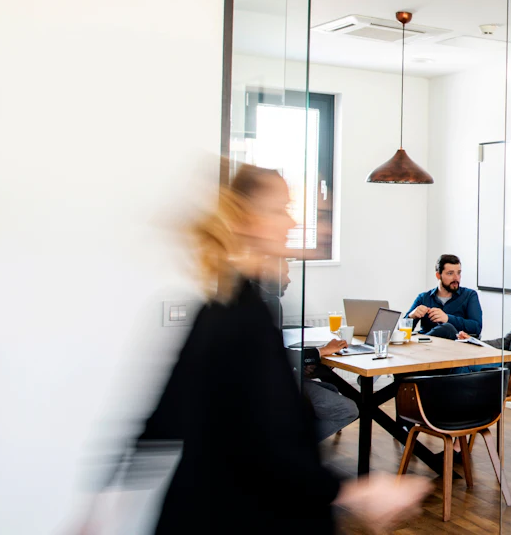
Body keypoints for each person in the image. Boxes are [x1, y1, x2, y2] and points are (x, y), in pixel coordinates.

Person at [134, 164, 426, 533]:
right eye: (278, 210)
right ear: (245, 220)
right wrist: (353, 492)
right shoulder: (242, 313)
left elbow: (168, 415)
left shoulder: (227, 304)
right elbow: (269, 444)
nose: (290, 223)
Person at [259, 258, 359, 441]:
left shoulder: (258, 300)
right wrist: (320, 352)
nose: (288, 280)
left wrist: (301, 363)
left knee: (330, 387)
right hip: (268, 388)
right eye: (284, 274)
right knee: (348, 409)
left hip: (268, 382)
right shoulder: (267, 303)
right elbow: (268, 356)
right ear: (267, 275)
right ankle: (292, 449)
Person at [405, 254, 483, 340]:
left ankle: (425, 340)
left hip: (456, 348)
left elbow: (476, 327)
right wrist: (411, 316)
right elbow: (401, 332)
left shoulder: (469, 295)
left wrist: (447, 318)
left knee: (447, 328)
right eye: (450, 273)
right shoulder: (424, 298)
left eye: (459, 273)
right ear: (438, 275)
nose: (456, 278)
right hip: (427, 350)